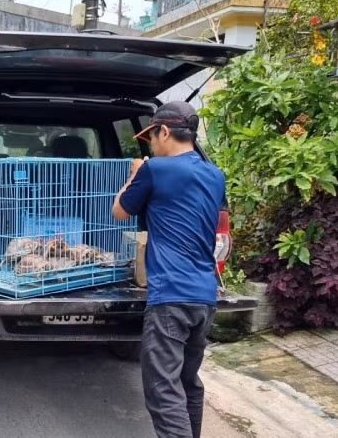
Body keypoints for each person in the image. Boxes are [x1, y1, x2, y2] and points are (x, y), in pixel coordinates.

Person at [111, 101, 225, 438]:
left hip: (170, 297)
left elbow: (120, 211)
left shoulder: (155, 170)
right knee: (187, 382)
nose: (150, 145)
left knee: (162, 390)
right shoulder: (215, 174)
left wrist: (135, 174)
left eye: (151, 137)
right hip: (204, 297)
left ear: (164, 131)